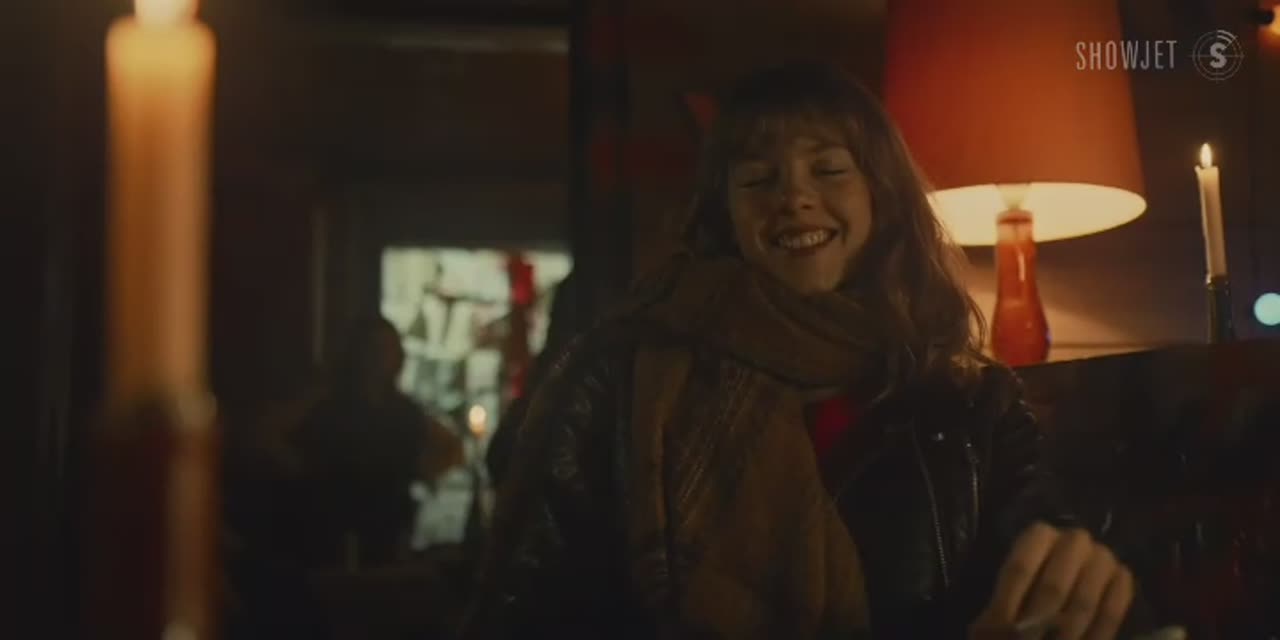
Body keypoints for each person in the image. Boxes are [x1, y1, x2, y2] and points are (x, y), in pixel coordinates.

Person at [461, 63, 1158, 639]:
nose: (794, 198)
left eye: (828, 170)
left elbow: (1044, 549)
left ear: (881, 197)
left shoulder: (971, 403)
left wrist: (1080, 579)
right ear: (724, 212)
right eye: (758, 179)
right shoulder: (620, 377)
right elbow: (526, 606)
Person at [293, 314, 464, 567]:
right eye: (373, 349)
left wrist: (418, 471)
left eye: (386, 350)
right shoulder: (330, 407)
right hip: (333, 527)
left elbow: (452, 448)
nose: (378, 359)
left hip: (388, 526)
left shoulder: (404, 412)